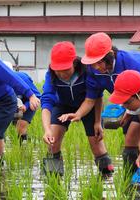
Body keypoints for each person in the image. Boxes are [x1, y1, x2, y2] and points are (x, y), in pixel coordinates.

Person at [58, 32, 140, 174]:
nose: (97, 67)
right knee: (129, 138)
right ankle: (132, 180)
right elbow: (91, 99)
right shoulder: (93, 71)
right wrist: (78, 114)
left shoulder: (129, 62)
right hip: (128, 104)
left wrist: (134, 111)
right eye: (93, 63)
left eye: (100, 62)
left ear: (111, 55)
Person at [41, 41, 113, 177]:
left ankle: (107, 179)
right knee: (53, 142)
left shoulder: (88, 70)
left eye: (66, 70)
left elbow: (97, 96)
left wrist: (98, 122)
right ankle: (53, 181)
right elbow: (46, 102)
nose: (62, 74)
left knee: (97, 144)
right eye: (58, 70)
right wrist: (47, 130)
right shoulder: (51, 75)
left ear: (74, 63)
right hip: (62, 105)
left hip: (88, 105)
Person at [0, 52, 40, 164]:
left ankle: (23, 148)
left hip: (4, 102)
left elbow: (10, 76)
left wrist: (30, 95)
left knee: (20, 126)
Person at [2, 61, 41, 144]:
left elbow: (37, 96)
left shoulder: (22, 78)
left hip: (27, 102)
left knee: (21, 126)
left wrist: (25, 106)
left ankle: (23, 150)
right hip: (11, 104)